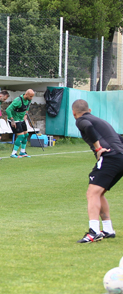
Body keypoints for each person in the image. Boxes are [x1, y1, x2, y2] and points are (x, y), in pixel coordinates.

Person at [72, 99, 123, 243]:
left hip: (110, 157)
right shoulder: (101, 121)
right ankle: (108, 229)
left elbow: (87, 127)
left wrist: (98, 147)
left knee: (92, 193)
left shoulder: (81, 120)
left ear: (74, 113)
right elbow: (119, 138)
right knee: (99, 193)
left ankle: (93, 232)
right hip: (120, 158)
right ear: (90, 110)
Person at [6, 89, 35, 158]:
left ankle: (22, 152)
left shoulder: (29, 100)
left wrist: (25, 115)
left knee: (26, 135)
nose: (31, 98)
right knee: (21, 136)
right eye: (30, 96)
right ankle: (13, 153)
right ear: (26, 94)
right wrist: (12, 120)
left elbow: (27, 107)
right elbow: (8, 110)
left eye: (32, 97)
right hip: (14, 120)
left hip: (21, 119)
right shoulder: (18, 101)